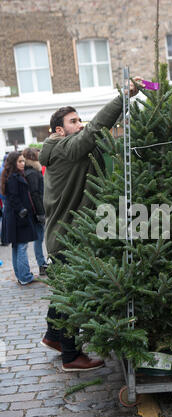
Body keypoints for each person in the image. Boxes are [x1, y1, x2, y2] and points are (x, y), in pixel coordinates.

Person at [39, 77, 143, 372]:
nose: (80, 124)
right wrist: (123, 97)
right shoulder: (64, 149)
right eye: (74, 121)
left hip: (64, 237)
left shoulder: (71, 151)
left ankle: (53, 337)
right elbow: (96, 130)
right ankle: (71, 357)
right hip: (67, 239)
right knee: (71, 297)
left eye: (79, 119)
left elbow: (99, 142)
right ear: (59, 130)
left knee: (61, 293)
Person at [1, 152, 38, 285]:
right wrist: (22, 210)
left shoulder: (13, 176)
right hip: (18, 217)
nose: (23, 163)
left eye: (23, 161)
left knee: (17, 247)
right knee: (21, 246)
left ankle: (21, 275)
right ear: (13, 163)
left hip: (16, 216)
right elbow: (13, 197)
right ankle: (25, 276)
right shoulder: (13, 177)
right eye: (20, 161)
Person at [23, 147, 48, 276]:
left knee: (39, 238)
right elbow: (35, 194)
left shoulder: (31, 171)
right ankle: (42, 264)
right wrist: (40, 213)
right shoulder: (32, 172)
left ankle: (42, 262)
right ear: (33, 157)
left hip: (36, 210)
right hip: (37, 211)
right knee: (39, 238)